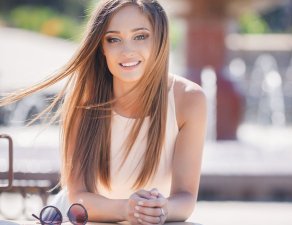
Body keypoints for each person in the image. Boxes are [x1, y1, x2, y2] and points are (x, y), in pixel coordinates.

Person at [0, 0, 207, 224]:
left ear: (160, 40)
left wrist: (160, 208)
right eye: (114, 39)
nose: (127, 51)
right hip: (75, 217)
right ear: (102, 47)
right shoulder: (84, 101)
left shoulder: (189, 99)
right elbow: (76, 197)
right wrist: (127, 209)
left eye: (140, 36)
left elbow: (185, 198)